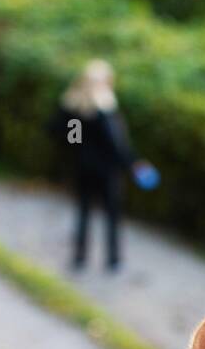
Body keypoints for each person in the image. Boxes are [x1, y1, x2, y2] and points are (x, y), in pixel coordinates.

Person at [52, 60, 144, 271]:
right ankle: (113, 259)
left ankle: (80, 257)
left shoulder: (72, 106)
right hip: (106, 172)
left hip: (82, 168)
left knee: (84, 212)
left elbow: (65, 136)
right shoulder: (105, 109)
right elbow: (116, 145)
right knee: (111, 215)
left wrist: (78, 149)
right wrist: (133, 164)